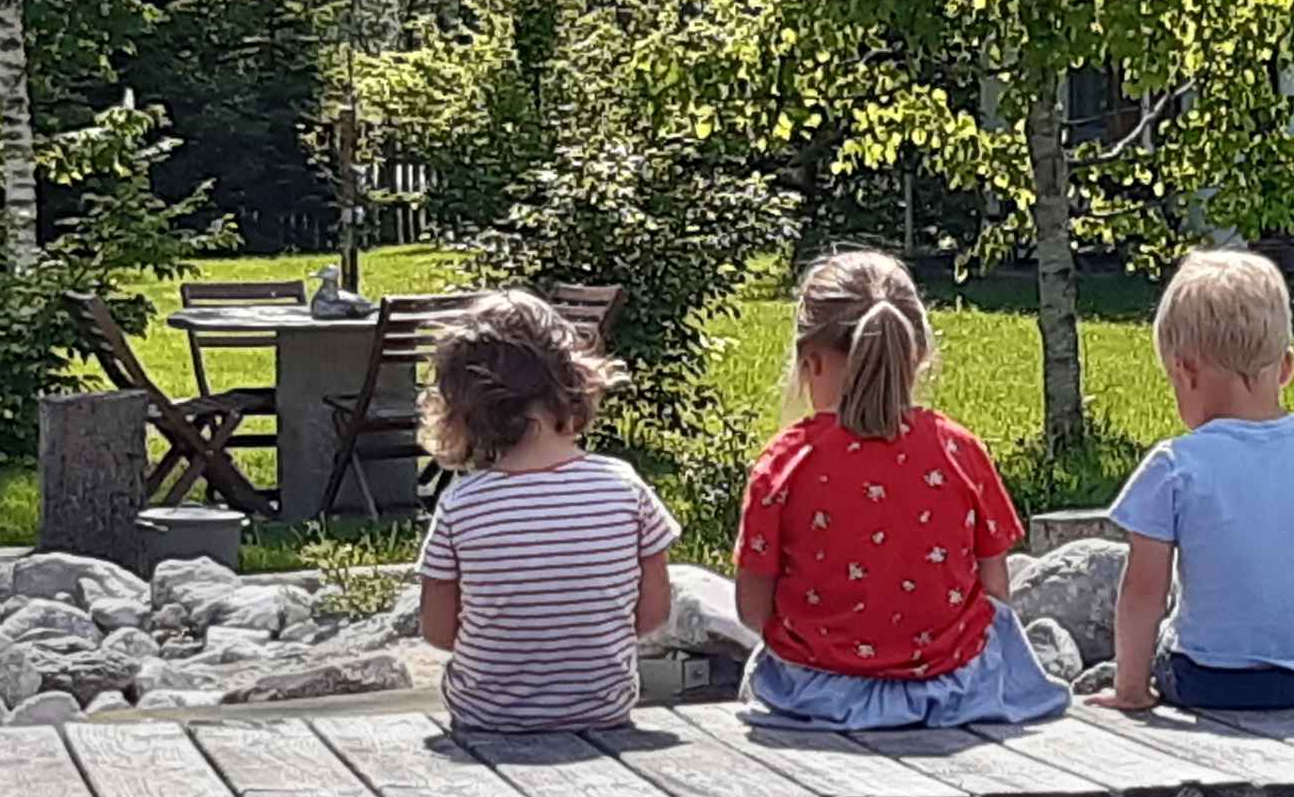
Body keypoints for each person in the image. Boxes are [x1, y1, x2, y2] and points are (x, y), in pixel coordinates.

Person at [733, 251, 1069, 730]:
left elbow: (753, 611)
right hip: (953, 687)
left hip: (818, 693)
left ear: (811, 362)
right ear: (918, 355)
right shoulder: (958, 449)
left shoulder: (786, 462)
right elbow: (996, 589)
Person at [1092, 250, 1294, 712]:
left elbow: (1144, 588)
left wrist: (1130, 688)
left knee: (1172, 635)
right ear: (1286, 368)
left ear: (1184, 372)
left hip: (1209, 679)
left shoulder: (1175, 465)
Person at [417, 290, 678, 733]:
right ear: (576, 384)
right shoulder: (625, 487)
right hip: (602, 712)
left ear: (461, 410)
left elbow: (438, 632)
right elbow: (653, 614)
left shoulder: (461, 505)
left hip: (489, 719)